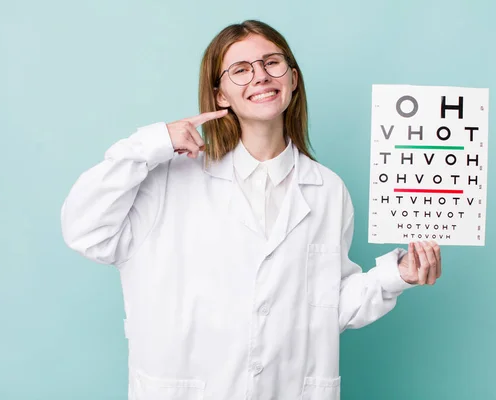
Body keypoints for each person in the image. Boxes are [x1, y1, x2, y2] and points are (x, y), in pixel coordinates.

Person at [61, 19, 442, 400]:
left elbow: (328, 308)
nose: (260, 76)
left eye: (271, 63)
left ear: (292, 78)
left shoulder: (328, 189)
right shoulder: (167, 179)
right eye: (241, 70)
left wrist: (397, 275)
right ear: (221, 94)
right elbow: (86, 230)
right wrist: (152, 143)